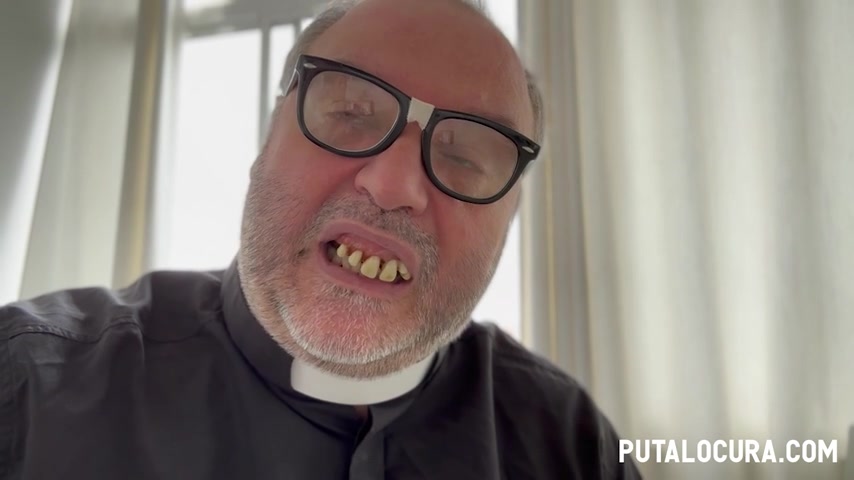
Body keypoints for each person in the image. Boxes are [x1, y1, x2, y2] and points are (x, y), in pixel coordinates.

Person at [0, 0, 641, 478]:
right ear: (270, 133)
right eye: (351, 113)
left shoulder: (572, 446)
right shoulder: (25, 391)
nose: (393, 184)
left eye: (466, 154)